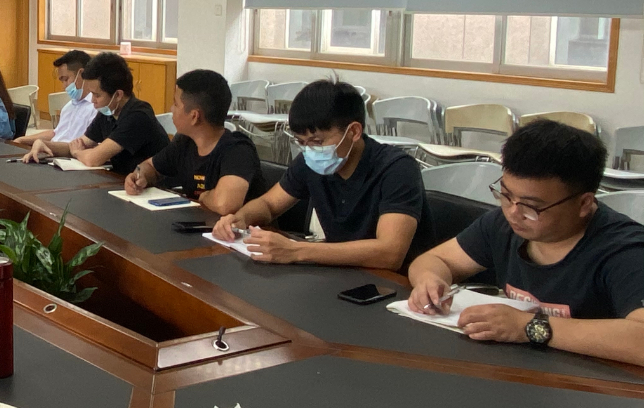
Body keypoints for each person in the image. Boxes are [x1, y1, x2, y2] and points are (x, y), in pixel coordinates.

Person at [407, 120, 644, 366]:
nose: (513, 213)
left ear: (584, 204)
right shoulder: (502, 225)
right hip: (521, 370)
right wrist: (429, 281)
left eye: (532, 206)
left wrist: (529, 327)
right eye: (505, 195)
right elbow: (436, 260)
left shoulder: (626, 251)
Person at [212, 79, 433, 270]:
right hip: (343, 272)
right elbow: (269, 205)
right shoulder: (310, 162)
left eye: (317, 141)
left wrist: (296, 251)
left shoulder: (397, 169)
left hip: (397, 285)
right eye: (301, 142)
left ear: (354, 131)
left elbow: (390, 253)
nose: (310, 150)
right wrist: (241, 218)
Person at [124, 69, 268, 213]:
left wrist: (204, 196)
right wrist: (140, 176)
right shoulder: (185, 142)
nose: (172, 109)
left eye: (176, 104)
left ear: (194, 116)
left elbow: (225, 204)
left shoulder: (238, 150)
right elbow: (151, 166)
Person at [26, 52, 168, 175]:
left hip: (157, 188)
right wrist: (44, 144)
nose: (92, 100)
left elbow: (93, 159)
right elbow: (77, 144)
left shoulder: (137, 115)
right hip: (124, 181)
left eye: (97, 95)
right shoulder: (107, 112)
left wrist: (78, 153)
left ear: (118, 95)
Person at [18, 50, 97, 152]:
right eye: (62, 81)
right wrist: (22, 140)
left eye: (66, 79)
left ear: (81, 74)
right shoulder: (69, 106)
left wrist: (46, 145)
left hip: (69, 156)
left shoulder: (95, 108)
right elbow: (56, 133)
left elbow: (84, 146)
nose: (64, 86)